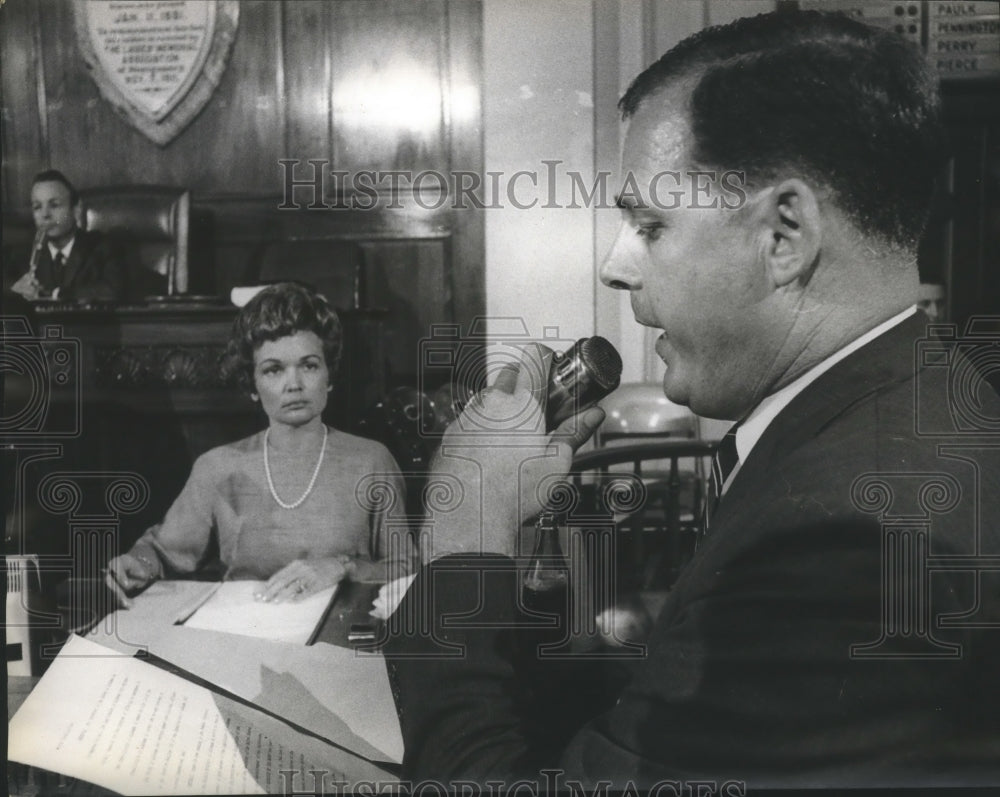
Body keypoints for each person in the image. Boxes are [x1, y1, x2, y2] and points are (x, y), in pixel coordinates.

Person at [383, 10, 1000, 791]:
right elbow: (670, 729)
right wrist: (525, 581)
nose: (615, 265)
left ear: (784, 235)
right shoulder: (903, 404)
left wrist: (462, 553)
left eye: (650, 222)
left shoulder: (847, 543)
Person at [106, 282, 413, 606]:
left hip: (337, 634)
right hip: (241, 634)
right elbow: (160, 552)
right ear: (251, 385)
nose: (294, 384)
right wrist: (135, 565)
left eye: (309, 365)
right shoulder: (217, 466)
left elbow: (405, 568)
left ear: (329, 374)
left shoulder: (371, 461)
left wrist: (342, 567)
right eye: (273, 370)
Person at [7, 169, 125, 302]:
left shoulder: (103, 248)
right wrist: (15, 290)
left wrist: (53, 294)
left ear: (76, 209)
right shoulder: (22, 254)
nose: (45, 215)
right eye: (37, 207)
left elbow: (112, 291)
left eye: (54, 205)